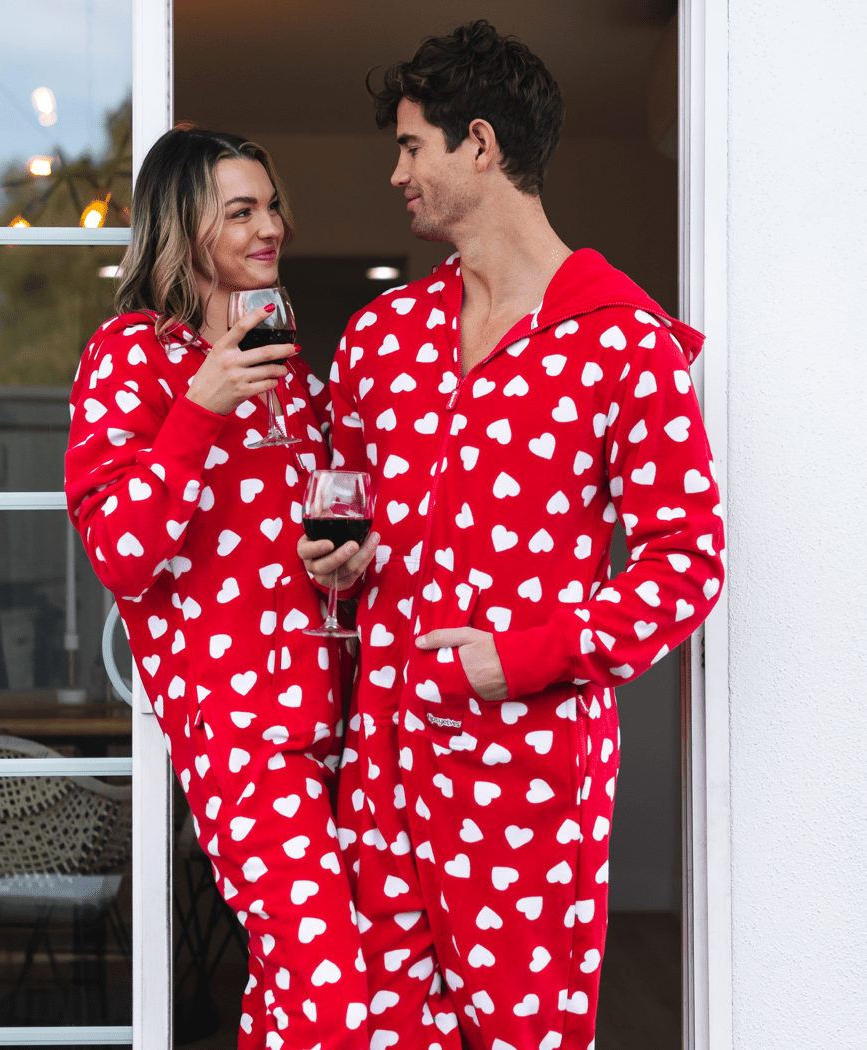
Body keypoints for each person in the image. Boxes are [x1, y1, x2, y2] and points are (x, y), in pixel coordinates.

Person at [298, 21, 725, 1050]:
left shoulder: (622, 342)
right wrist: (338, 558)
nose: (396, 173)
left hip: (527, 774)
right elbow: (340, 506)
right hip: (383, 766)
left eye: (412, 146)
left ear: (480, 144)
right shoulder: (380, 340)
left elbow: (686, 563)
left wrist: (524, 658)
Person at [65, 126, 368, 1050]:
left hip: (337, 715)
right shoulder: (129, 356)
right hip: (241, 732)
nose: (271, 227)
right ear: (181, 226)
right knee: (332, 995)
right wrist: (201, 405)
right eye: (241, 212)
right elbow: (121, 552)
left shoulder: (292, 374)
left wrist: (341, 563)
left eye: (270, 206)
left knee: (288, 993)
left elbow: (311, 530)